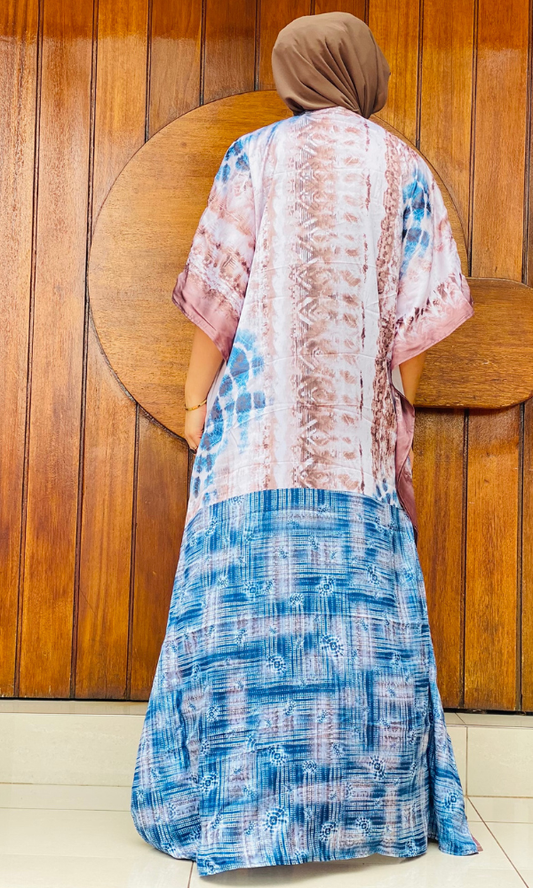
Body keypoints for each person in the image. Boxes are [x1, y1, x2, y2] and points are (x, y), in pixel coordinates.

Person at [130, 11, 482, 876]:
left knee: (241, 623)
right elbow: (417, 324)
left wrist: (193, 402)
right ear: (363, 73)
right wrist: (392, 416)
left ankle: (231, 813)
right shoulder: (403, 166)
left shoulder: (254, 155)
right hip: (355, 454)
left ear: (295, 75)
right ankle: (371, 816)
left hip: (253, 447)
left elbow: (219, 292)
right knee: (360, 633)